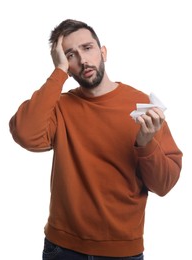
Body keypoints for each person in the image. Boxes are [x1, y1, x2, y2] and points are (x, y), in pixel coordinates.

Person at [9, 19, 183, 260]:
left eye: (87, 48)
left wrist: (146, 143)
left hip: (122, 252)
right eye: (70, 54)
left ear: (103, 52)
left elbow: (164, 185)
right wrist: (58, 73)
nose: (82, 60)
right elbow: (25, 134)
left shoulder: (141, 106)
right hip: (62, 248)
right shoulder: (60, 106)